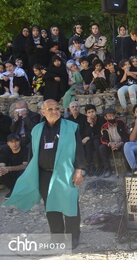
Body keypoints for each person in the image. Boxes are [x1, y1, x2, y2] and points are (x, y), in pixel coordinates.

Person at [5, 99, 86, 249]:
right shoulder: (36, 130)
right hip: (44, 174)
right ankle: (57, 237)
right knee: (51, 207)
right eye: (50, 109)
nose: (54, 111)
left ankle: (73, 236)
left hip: (66, 173)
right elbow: (32, 153)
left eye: (57, 108)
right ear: (43, 112)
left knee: (70, 204)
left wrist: (79, 170)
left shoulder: (71, 127)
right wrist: (30, 173)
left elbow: (79, 151)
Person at [99, 108, 129, 178]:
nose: (112, 117)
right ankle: (107, 170)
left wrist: (120, 143)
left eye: (113, 115)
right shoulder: (104, 127)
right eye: (109, 116)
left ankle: (128, 169)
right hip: (111, 145)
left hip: (121, 144)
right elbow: (103, 139)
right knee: (101, 148)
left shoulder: (121, 123)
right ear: (105, 117)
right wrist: (110, 144)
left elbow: (126, 135)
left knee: (126, 147)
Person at [0, 134, 28, 198]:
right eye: (11, 142)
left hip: (21, 173)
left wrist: (8, 168)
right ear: (8, 143)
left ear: (20, 141)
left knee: (24, 171)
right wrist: (2, 169)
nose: (14, 144)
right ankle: (12, 188)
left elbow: (25, 166)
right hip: (10, 173)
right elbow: (2, 163)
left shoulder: (25, 150)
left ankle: (15, 190)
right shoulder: (5, 149)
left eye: (16, 141)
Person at [81, 104, 105, 176]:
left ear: (96, 111)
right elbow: (86, 134)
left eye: (92, 111)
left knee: (96, 142)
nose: (91, 114)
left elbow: (101, 134)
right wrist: (90, 125)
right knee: (88, 144)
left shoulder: (101, 119)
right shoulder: (85, 121)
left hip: (100, 139)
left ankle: (100, 166)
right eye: (89, 112)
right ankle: (90, 166)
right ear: (86, 114)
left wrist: (90, 137)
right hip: (92, 140)